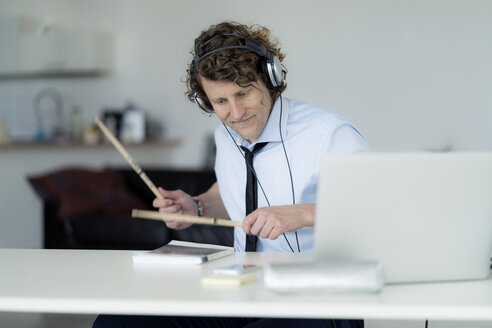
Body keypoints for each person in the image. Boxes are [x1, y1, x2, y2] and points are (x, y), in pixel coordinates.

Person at [93, 21, 368, 328]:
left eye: (243, 94)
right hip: (244, 287)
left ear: (269, 79)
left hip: (322, 298)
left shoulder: (330, 133)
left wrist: (301, 214)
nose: (236, 114)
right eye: (221, 102)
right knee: (118, 322)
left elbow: (375, 213)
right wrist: (198, 206)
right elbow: (233, 189)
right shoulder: (226, 135)